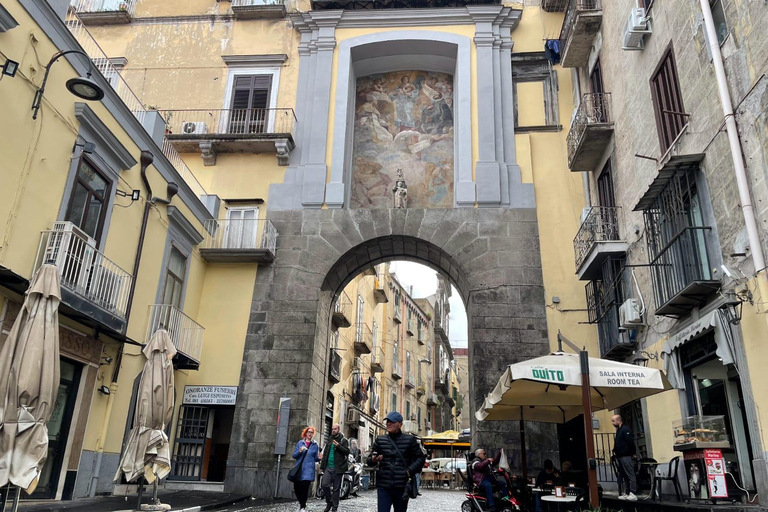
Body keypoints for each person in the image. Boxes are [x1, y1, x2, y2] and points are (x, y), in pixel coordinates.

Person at [367, 411, 426, 512]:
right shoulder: (380, 440)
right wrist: (373, 460)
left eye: (392, 422)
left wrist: (409, 471)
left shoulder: (410, 440)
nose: (388, 424)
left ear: (400, 424)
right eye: (388, 421)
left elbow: (420, 458)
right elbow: (369, 460)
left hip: (402, 486)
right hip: (384, 485)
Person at [321, 423, 350, 512]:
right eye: (332, 429)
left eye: (335, 429)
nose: (333, 430)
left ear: (339, 430)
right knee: (324, 485)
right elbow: (325, 453)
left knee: (336, 489)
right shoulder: (329, 439)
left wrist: (338, 446)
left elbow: (347, 451)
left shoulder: (343, 440)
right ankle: (329, 502)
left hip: (338, 468)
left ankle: (334, 507)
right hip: (328, 467)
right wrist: (323, 466)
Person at [292, 426, 322, 512]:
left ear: (313, 434)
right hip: (299, 470)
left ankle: (302, 507)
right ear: (305, 433)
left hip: (309, 470)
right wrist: (299, 451)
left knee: (304, 489)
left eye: (312, 432)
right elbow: (294, 456)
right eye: (308, 432)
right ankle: (302, 503)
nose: (310, 434)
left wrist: (319, 458)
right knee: (297, 488)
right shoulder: (300, 443)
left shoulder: (315, 445)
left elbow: (315, 458)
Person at [612, 414, 638, 501]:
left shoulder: (625, 429)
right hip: (620, 456)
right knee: (625, 475)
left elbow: (630, 442)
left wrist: (633, 453)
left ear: (619, 421)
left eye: (613, 421)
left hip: (626, 455)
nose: (612, 423)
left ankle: (633, 493)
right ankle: (627, 493)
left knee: (630, 474)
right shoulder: (619, 430)